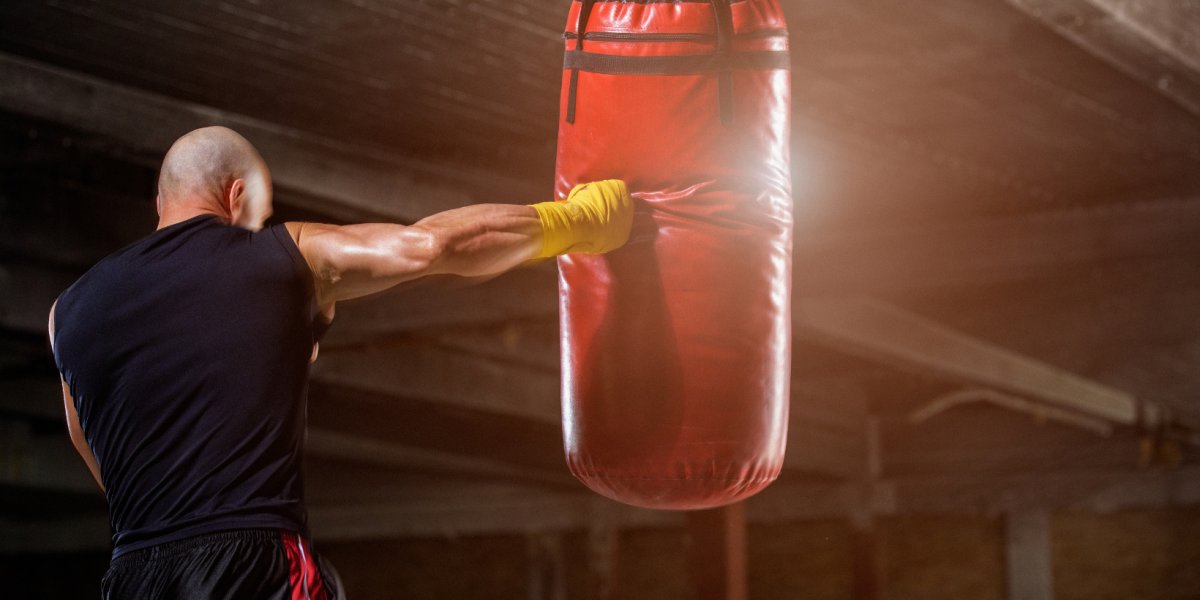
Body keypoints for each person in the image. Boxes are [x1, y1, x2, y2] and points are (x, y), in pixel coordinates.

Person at [48, 126, 633, 599]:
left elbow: (84, 435)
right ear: (238, 196)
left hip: (133, 576)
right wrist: (578, 223)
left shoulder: (65, 313)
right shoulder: (281, 255)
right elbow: (428, 247)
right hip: (250, 564)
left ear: (160, 201)